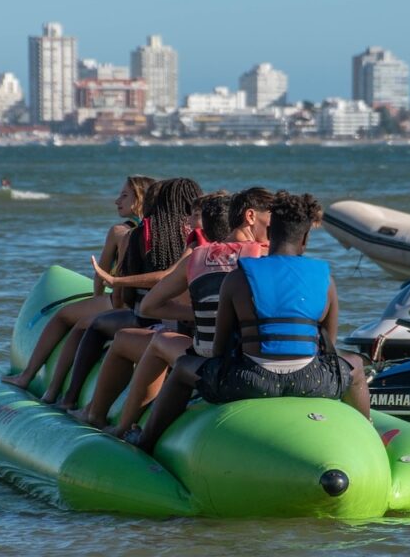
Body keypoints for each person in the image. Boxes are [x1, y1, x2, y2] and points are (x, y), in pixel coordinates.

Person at [130, 192, 369, 454]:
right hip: (310, 380)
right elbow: (328, 348)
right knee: (355, 364)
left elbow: (220, 349)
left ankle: (146, 442)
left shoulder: (239, 276)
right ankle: (368, 437)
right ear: (305, 239)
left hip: (250, 382)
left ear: (271, 232)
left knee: (185, 366)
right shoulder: (325, 278)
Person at [76, 188, 273, 431]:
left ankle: (117, 424)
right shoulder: (269, 257)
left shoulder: (198, 258)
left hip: (215, 359)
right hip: (268, 359)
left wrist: (195, 313)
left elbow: (149, 306)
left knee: (151, 340)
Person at [48, 177, 203, 410]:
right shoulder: (209, 241)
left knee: (97, 326)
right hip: (197, 332)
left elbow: (123, 298)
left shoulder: (136, 235)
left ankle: (73, 399)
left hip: (153, 322)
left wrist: (115, 281)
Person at [1, 175, 155, 393]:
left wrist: (96, 300)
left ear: (140, 199)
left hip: (120, 301)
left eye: (124, 195)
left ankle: (29, 377)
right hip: (148, 304)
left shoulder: (120, 232)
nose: (116, 201)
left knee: (64, 316)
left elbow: (101, 274)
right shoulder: (162, 232)